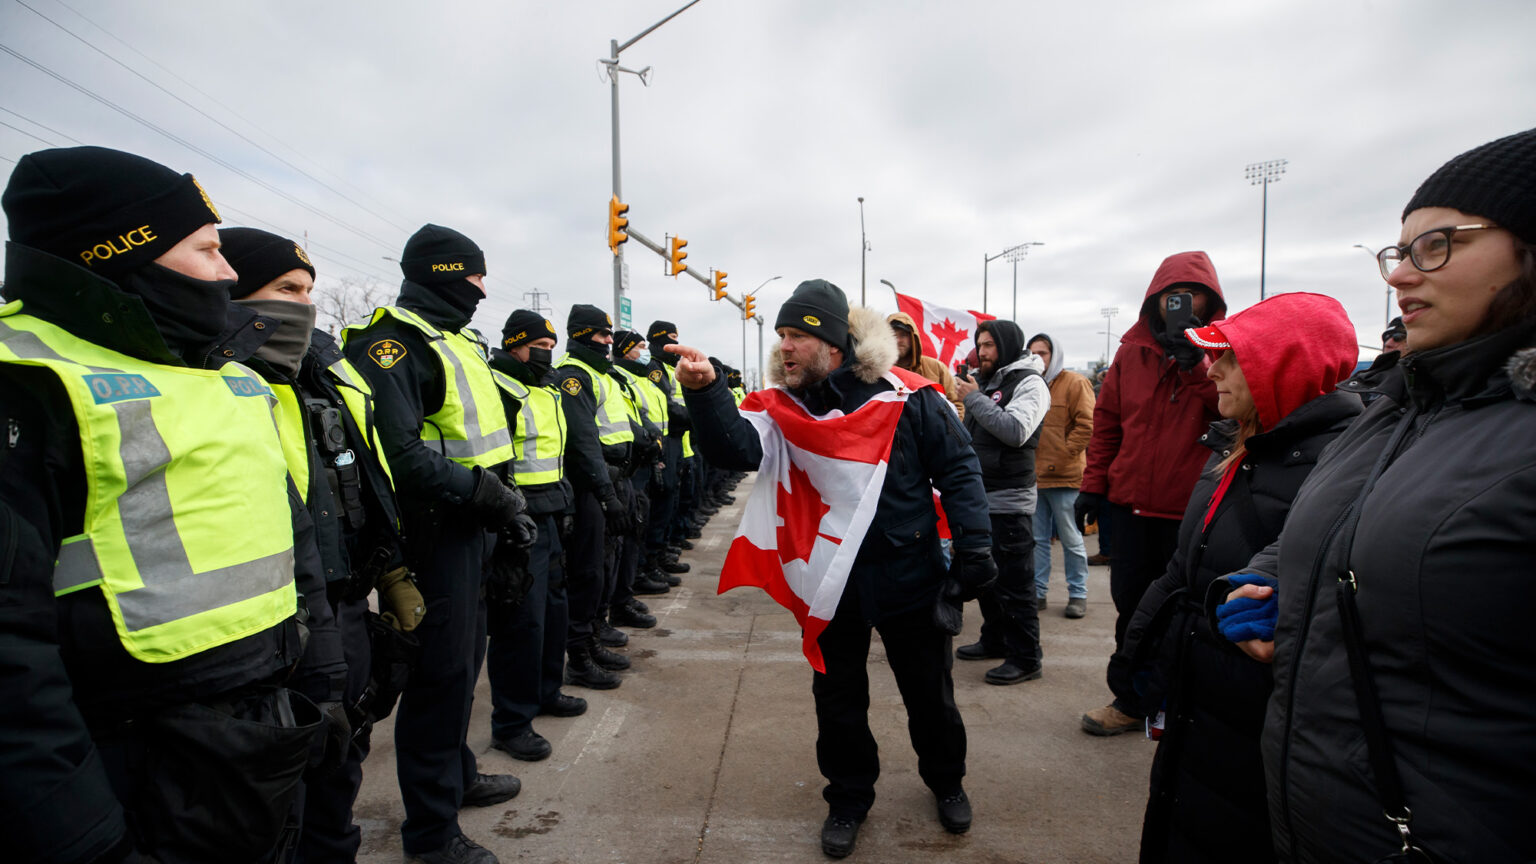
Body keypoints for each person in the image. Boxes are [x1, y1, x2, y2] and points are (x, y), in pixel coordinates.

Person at [0, 146, 346, 863]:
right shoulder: (29, 385)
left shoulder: (226, 379)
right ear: (122, 252)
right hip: (130, 763)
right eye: (208, 250)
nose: (227, 274)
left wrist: (324, 686)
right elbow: (11, 660)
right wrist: (84, 835)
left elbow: (293, 543)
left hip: (258, 735)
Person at [1219, 127, 1536, 863]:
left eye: (1439, 245)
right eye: (1401, 252)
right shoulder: (1396, 411)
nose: (1398, 276)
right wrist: (1259, 584)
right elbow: (1315, 538)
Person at [667, 279, 995, 858]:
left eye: (797, 335)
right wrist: (707, 393)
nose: (784, 346)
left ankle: (947, 783)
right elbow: (735, 450)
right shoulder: (782, 407)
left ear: (834, 346)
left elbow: (962, 471)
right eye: (781, 336)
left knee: (930, 696)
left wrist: (974, 552)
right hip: (830, 581)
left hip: (910, 574)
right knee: (838, 699)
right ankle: (848, 799)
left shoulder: (909, 397)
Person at [1112, 293, 1361, 864]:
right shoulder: (1235, 444)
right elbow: (1186, 567)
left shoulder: (1341, 468)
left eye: (1231, 356)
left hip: (1256, 719)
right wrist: (1136, 663)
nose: (1211, 369)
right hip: (1203, 703)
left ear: (1284, 366)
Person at [220, 226, 421, 864]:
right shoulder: (215, 381)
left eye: (309, 290)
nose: (303, 305)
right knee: (281, 798)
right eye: (285, 289)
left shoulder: (323, 376)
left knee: (342, 767)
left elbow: (359, 479)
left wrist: (389, 568)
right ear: (235, 293)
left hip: (343, 603)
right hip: (275, 628)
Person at [342, 223, 529, 864]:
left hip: (473, 523)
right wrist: (488, 495)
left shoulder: (456, 340)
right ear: (445, 274)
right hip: (435, 529)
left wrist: (503, 508)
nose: (482, 287)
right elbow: (403, 453)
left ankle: (459, 773)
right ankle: (430, 832)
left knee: (463, 665)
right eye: (474, 274)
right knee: (439, 677)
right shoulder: (392, 344)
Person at [1075, 251, 1227, 737]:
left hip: (1193, 511)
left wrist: (1197, 366)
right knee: (1133, 609)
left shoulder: (1225, 350)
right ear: (1155, 300)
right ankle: (1132, 699)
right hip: (1129, 508)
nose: (1180, 303)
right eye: (1170, 295)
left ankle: (1182, 703)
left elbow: (1237, 415)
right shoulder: (1129, 353)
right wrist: (1092, 486)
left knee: (1191, 613)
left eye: (1193, 293)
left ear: (1212, 299)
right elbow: (1107, 425)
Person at [485, 309, 588, 763]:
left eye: (551, 348)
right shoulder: (500, 388)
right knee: (521, 622)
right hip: (517, 516)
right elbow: (495, 458)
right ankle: (512, 722)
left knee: (553, 609)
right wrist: (509, 512)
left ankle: (548, 691)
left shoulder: (545, 391)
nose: (547, 355)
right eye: (538, 348)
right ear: (514, 345)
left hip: (552, 510)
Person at [953, 320, 1050, 685]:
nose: (983, 352)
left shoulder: (1029, 383)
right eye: (980, 344)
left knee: (1015, 585)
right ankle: (994, 639)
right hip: (981, 498)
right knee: (989, 581)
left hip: (1010, 502)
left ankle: (1026, 658)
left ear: (1008, 345)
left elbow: (1014, 431)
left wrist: (973, 398)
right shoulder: (989, 382)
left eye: (990, 344)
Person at [553, 305, 635, 688]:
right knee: (586, 570)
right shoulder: (574, 376)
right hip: (590, 484)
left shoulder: (600, 374)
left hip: (613, 478)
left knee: (605, 564)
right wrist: (606, 494)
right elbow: (584, 443)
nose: (608, 342)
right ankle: (579, 656)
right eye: (602, 336)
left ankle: (594, 633)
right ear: (583, 335)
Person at [1026, 333, 1095, 618]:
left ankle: (1077, 594)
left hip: (1065, 477)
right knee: (1038, 540)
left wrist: (1065, 452)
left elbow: (1087, 423)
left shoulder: (1075, 382)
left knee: (1071, 539)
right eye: (1032, 353)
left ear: (1055, 355)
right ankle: (1038, 592)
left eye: (1042, 353)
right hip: (1034, 476)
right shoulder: (1028, 383)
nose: (1037, 358)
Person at [643, 320, 694, 579]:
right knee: (662, 501)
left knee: (672, 497)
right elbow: (667, 408)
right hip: (664, 440)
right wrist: (695, 416)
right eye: (672, 338)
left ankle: (661, 552)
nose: (676, 342)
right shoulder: (653, 369)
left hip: (676, 440)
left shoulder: (669, 367)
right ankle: (651, 560)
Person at [888, 310, 964, 416]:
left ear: (912, 337)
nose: (898, 340)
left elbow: (957, 406)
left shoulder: (937, 368)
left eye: (903, 335)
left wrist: (946, 431)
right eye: (893, 336)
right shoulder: (880, 372)